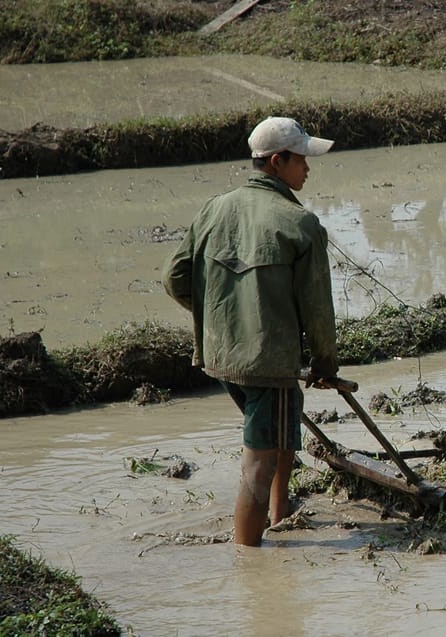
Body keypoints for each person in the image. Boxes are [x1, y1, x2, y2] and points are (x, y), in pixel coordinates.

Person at [164, 116, 340, 546]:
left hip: (223, 357)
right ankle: (250, 561)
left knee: (279, 436)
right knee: (259, 463)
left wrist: (223, 319)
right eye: (301, 160)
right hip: (268, 360)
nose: (308, 169)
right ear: (277, 162)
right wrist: (324, 363)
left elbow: (175, 277)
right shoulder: (301, 223)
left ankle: (280, 517)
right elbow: (317, 309)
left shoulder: (215, 207)